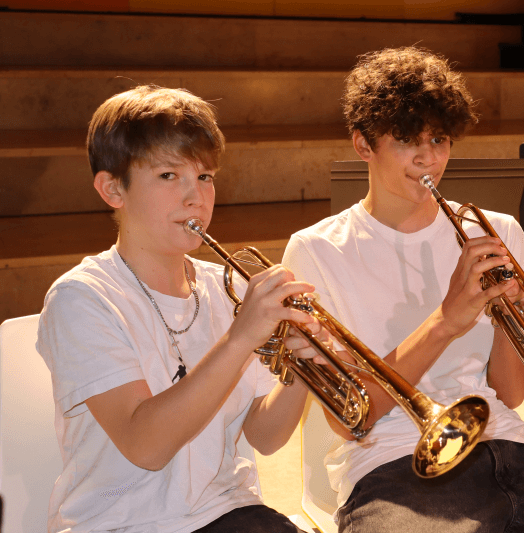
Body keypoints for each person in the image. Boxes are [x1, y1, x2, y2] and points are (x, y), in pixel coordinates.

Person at [282, 46, 524, 533]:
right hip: (392, 461)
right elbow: (351, 419)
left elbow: (509, 393)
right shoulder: (316, 251)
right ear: (363, 145)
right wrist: (445, 321)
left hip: (509, 444)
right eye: (406, 140)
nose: (429, 158)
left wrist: (509, 319)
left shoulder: (495, 231)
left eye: (439, 139)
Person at [37, 85, 323, 532]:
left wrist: (303, 369)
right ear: (112, 189)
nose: (196, 198)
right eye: (169, 175)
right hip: (122, 522)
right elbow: (145, 447)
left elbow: (265, 437)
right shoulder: (81, 298)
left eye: (205, 177)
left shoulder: (225, 288)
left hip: (229, 511)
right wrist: (240, 338)